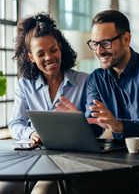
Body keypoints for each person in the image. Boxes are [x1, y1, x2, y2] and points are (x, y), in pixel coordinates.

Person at [55, 9, 139, 194]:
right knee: (69, 187)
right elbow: (95, 126)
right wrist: (78, 121)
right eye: (94, 44)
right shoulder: (96, 79)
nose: (99, 51)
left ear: (126, 39)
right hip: (120, 164)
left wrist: (120, 126)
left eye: (105, 43)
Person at [0, 12, 88, 194]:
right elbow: (16, 124)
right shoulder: (25, 85)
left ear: (60, 48)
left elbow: (97, 125)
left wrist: (79, 120)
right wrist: (31, 133)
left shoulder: (84, 82)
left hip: (70, 160)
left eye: (53, 50)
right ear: (31, 57)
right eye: (41, 53)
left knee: (42, 191)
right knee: (4, 189)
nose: (49, 57)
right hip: (32, 157)